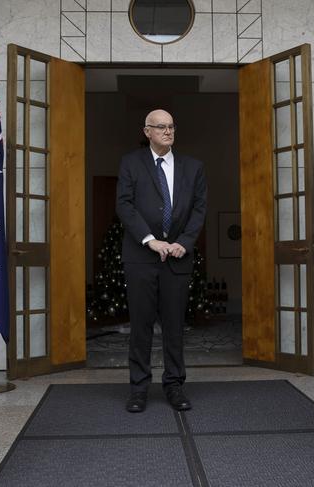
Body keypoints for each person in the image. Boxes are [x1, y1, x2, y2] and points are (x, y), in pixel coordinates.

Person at [116, 109, 207, 413]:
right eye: (161, 127)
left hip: (178, 259)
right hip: (141, 257)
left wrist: (185, 242)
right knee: (141, 325)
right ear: (147, 132)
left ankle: (174, 386)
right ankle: (139, 389)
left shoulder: (193, 168)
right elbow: (124, 206)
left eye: (171, 127)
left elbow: (199, 209)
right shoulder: (131, 164)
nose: (168, 132)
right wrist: (149, 239)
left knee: (174, 325)